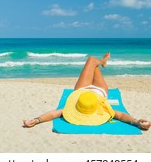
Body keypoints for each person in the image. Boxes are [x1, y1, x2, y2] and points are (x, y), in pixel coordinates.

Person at [23, 53, 151, 130]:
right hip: (99, 91)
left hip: (82, 90)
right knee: (92, 62)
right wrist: (137, 122)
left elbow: (52, 114)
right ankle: (101, 62)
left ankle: (101, 61)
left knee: (91, 60)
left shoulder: (69, 110)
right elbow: (122, 116)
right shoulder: (103, 110)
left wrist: (36, 120)